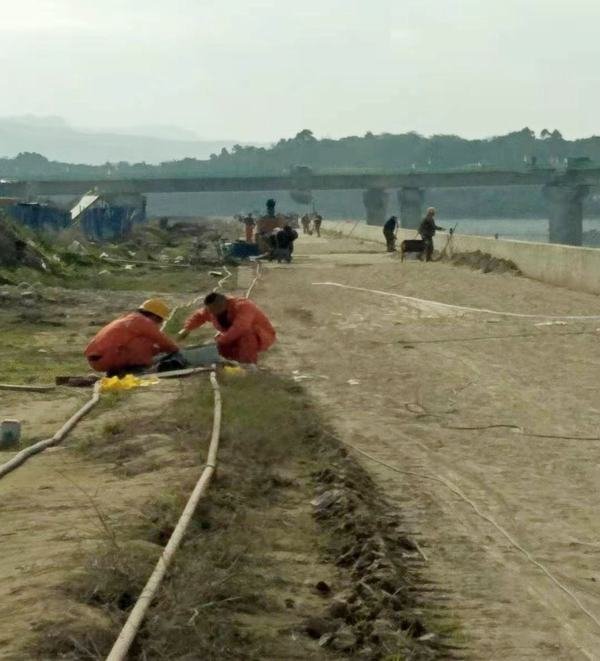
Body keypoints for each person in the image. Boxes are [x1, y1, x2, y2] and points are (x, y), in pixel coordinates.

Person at [85, 298, 179, 376]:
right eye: (160, 320)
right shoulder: (143, 321)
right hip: (107, 358)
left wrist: (159, 350)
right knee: (144, 342)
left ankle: (118, 371)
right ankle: (135, 369)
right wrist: (175, 350)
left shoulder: (128, 318)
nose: (159, 324)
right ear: (155, 316)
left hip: (98, 359)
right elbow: (162, 340)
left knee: (143, 342)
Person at [178, 292, 276, 365]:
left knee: (245, 335)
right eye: (210, 310)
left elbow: (240, 328)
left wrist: (220, 341)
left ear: (223, 304)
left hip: (260, 336)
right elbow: (200, 316)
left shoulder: (244, 306)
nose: (211, 313)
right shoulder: (213, 309)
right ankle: (231, 362)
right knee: (218, 349)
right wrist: (187, 329)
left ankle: (249, 365)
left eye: (214, 310)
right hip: (231, 335)